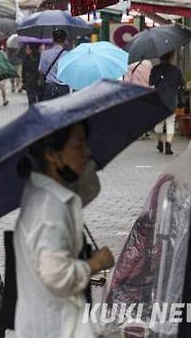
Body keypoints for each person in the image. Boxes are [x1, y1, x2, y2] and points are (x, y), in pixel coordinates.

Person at [13, 122, 115, 337]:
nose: (86, 152)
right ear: (51, 155)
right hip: (56, 327)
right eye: (79, 145)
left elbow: (88, 189)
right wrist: (95, 264)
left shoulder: (42, 192)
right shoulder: (51, 210)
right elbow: (56, 275)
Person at [149, 52, 185, 155]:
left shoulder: (155, 69)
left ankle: (160, 142)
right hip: (171, 100)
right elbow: (182, 84)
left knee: (158, 124)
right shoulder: (176, 70)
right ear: (171, 57)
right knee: (170, 123)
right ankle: (168, 145)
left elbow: (151, 83)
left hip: (158, 100)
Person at [39, 29, 70, 100]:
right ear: (65, 40)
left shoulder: (44, 54)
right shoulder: (68, 55)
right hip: (63, 88)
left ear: (52, 39)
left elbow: (41, 71)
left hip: (49, 88)